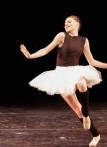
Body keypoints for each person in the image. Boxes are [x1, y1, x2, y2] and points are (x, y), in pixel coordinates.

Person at [20, 15, 107, 146]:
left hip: (76, 71)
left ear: (77, 24)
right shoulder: (61, 36)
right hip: (61, 75)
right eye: (65, 22)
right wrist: (30, 56)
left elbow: (92, 61)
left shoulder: (84, 40)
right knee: (77, 109)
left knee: (82, 83)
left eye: (69, 22)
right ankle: (96, 135)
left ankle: (86, 114)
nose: (65, 24)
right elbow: (46, 49)